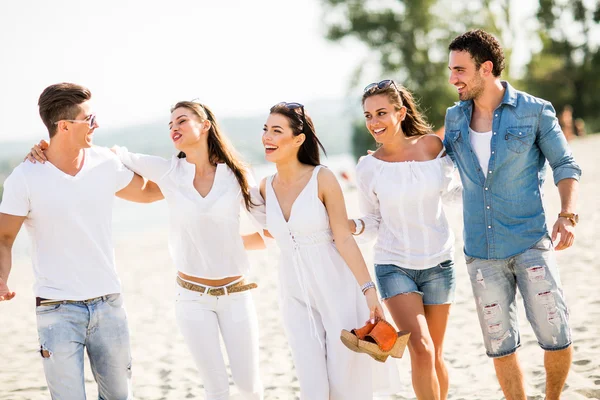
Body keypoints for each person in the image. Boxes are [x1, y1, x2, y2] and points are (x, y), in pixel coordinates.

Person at [27, 100, 265, 400]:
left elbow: (269, 231)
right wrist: (46, 149)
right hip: (192, 298)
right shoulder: (168, 172)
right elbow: (112, 155)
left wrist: (226, 244)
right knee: (215, 388)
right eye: (170, 125)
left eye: (181, 121)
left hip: (237, 294)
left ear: (205, 125)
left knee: (249, 386)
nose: (174, 128)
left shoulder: (237, 174)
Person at [0, 83, 163, 399]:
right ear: (63, 126)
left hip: (109, 304)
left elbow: (150, 192)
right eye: (89, 118)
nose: (97, 125)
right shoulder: (24, 177)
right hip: (56, 310)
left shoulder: (105, 162)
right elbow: (4, 237)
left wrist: (187, 170)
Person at [445, 29, 582, 400]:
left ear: (485, 68)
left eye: (459, 70)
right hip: (480, 252)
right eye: (451, 70)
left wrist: (567, 215)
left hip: (530, 243)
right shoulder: (453, 120)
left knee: (556, 336)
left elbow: (565, 164)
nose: (452, 78)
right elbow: (431, 163)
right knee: (500, 346)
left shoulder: (534, 111)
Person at [254, 101, 388, 399]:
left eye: (277, 131)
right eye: (265, 130)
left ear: (298, 139)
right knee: (312, 386)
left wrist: (369, 291)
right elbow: (260, 231)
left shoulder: (322, 178)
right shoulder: (264, 187)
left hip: (337, 289)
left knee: (345, 385)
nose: (267, 137)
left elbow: (343, 238)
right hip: (294, 296)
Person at [350, 80, 461, 400]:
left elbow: (452, 194)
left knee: (436, 353)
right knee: (422, 350)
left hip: (440, 262)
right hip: (394, 265)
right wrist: (353, 226)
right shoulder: (368, 168)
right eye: (368, 115)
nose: (374, 122)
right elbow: (372, 223)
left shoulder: (431, 147)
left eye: (381, 113)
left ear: (400, 113)